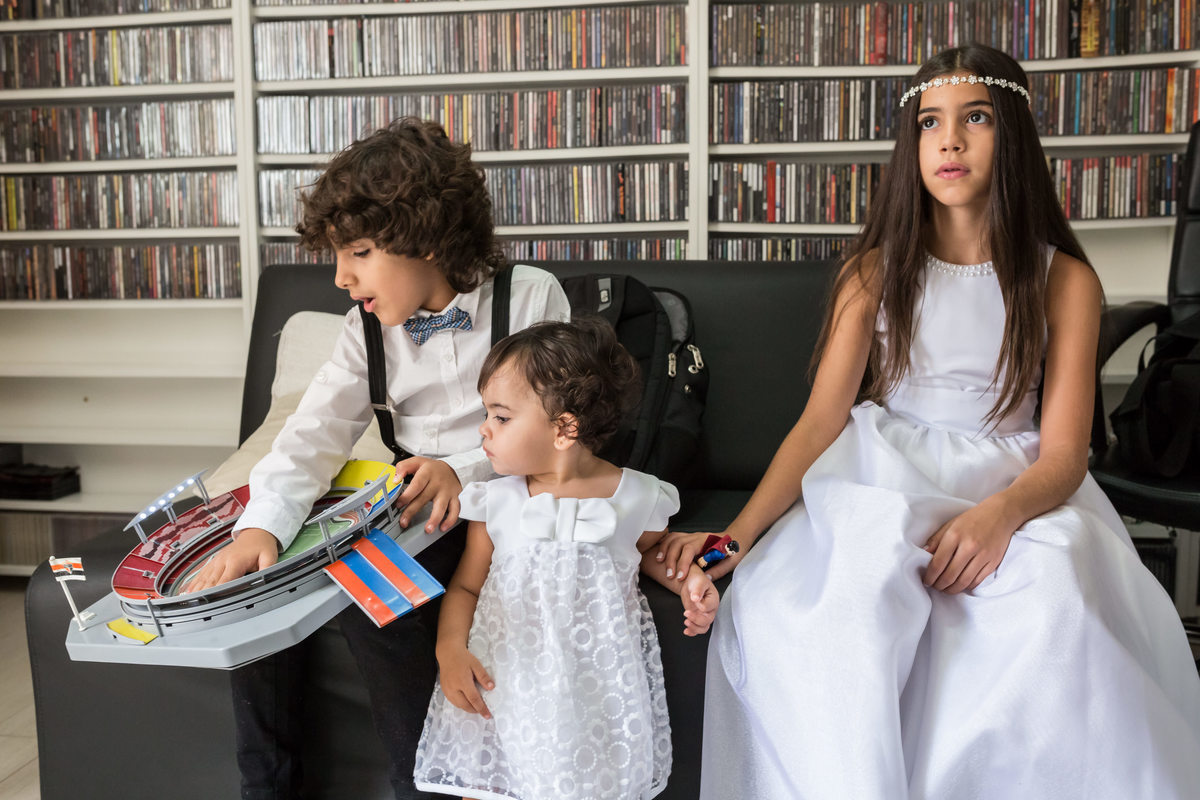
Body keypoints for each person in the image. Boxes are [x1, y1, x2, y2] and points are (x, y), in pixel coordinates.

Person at [656, 44, 1200, 799]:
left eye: (974, 119)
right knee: (854, 592)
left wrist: (998, 518)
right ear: (910, 146)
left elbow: (1067, 453)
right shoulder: (874, 273)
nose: (949, 141)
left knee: (1057, 599)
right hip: (884, 472)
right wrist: (734, 540)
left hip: (1020, 482)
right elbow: (819, 424)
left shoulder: (1064, 280)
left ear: (1011, 136)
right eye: (930, 124)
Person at [185, 117, 571, 800]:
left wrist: (464, 467)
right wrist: (261, 527)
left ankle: (421, 784)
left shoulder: (531, 298)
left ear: (423, 234)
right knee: (260, 586)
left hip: (504, 508)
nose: (341, 277)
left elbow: (554, 432)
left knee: (375, 600)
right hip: (417, 508)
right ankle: (267, 789)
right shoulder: (363, 329)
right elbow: (312, 433)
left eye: (358, 252)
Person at [413, 319, 719, 800]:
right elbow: (467, 587)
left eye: (501, 417)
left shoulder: (637, 495)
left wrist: (690, 582)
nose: (483, 429)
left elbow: (652, 554)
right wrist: (449, 650)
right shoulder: (495, 501)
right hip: (504, 681)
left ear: (564, 428)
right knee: (490, 788)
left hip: (593, 684)